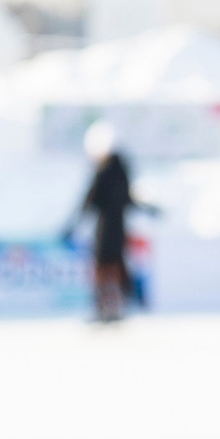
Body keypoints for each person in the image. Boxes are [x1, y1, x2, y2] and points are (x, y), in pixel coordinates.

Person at [76, 122, 148, 324]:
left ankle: (104, 306)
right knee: (115, 265)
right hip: (119, 228)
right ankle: (116, 305)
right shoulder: (122, 170)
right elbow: (129, 199)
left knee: (103, 268)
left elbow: (91, 199)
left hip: (104, 228)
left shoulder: (104, 169)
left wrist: (74, 223)